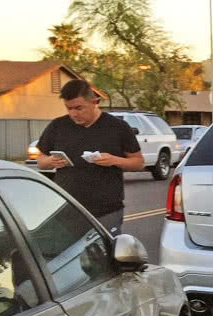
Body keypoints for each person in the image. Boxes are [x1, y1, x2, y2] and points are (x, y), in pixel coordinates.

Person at [36, 79, 143, 235]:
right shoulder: (57, 126)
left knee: (103, 256)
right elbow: (40, 160)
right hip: (67, 208)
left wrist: (114, 160)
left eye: (79, 108)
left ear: (94, 102)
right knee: (68, 256)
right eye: (69, 108)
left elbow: (138, 162)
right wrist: (50, 161)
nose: (73, 114)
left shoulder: (117, 127)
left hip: (106, 210)